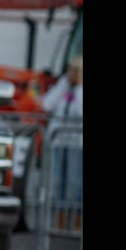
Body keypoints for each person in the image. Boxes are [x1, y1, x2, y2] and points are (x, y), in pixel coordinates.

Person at [40, 57, 82, 229]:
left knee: (77, 183)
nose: (70, 73)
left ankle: (78, 222)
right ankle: (61, 221)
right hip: (59, 142)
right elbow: (47, 104)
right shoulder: (64, 86)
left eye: (74, 70)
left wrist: (78, 88)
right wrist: (63, 84)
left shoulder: (80, 90)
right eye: (69, 69)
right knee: (59, 182)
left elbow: (80, 112)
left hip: (78, 144)